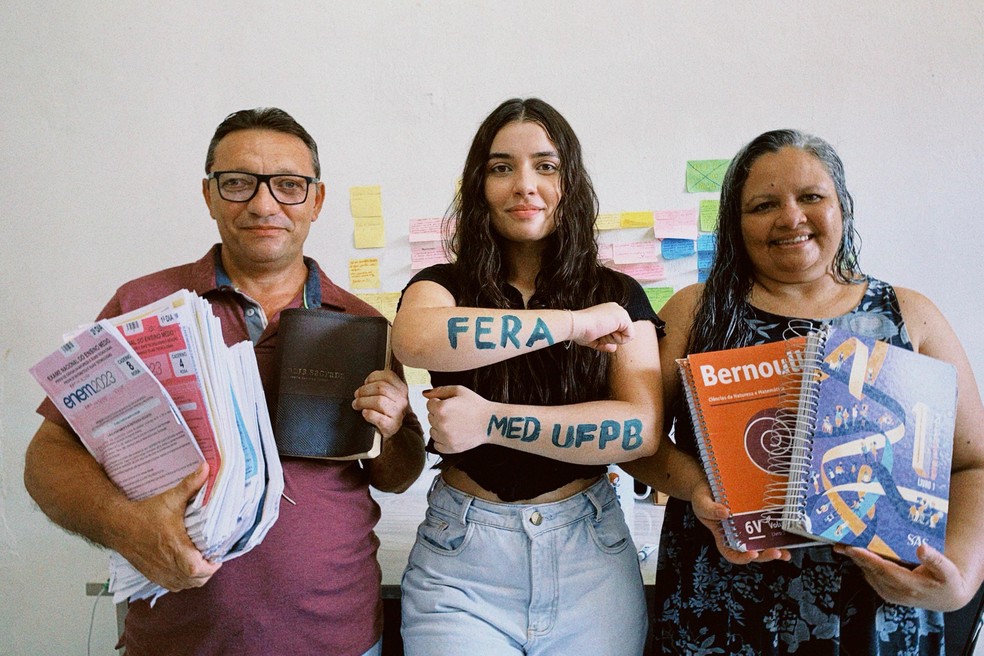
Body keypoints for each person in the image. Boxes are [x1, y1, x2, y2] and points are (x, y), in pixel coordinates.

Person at [23, 107, 426, 656]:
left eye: (288, 185)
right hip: (177, 642)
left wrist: (394, 425)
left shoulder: (363, 324)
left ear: (317, 200)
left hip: (337, 637)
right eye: (238, 184)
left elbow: (397, 475)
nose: (264, 205)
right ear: (209, 195)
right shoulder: (141, 307)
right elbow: (48, 457)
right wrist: (125, 526)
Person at [624, 129, 984, 654]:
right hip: (723, 606)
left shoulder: (911, 315)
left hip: (874, 605)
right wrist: (702, 491)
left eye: (811, 197)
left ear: (842, 206)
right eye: (764, 204)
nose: (791, 218)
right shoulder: (695, 310)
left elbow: (972, 464)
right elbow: (636, 440)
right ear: (734, 221)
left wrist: (962, 578)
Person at [391, 97, 664, 656]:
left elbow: (639, 430)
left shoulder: (618, 295)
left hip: (591, 557)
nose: (524, 185)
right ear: (477, 186)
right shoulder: (440, 283)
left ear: (572, 182)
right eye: (500, 167)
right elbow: (414, 337)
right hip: (461, 561)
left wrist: (491, 421)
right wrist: (571, 325)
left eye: (545, 165)